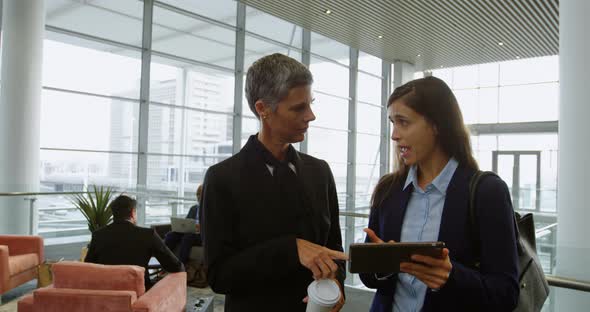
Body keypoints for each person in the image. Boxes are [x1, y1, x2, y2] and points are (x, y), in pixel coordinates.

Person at [200, 53, 347, 312]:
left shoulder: (320, 172)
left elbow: (334, 248)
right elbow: (219, 275)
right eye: (298, 107)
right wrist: (291, 250)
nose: (311, 115)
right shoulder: (222, 179)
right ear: (263, 109)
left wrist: (336, 284)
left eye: (310, 104)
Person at [359, 77, 519, 311]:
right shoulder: (388, 190)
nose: (394, 135)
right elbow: (370, 278)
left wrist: (450, 276)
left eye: (403, 122)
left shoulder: (487, 192)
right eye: (392, 123)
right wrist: (381, 263)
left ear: (437, 125)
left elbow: (506, 294)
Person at [85, 195, 184, 289]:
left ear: (113, 213)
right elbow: (175, 266)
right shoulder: (148, 234)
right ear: (133, 212)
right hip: (140, 293)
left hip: (108, 292)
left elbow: (88, 267)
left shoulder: (98, 235)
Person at [165, 184, 203, 263]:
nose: (199, 197)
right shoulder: (194, 208)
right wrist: (182, 227)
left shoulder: (211, 210)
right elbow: (186, 223)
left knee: (188, 237)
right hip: (191, 232)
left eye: (201, 195)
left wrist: (200, 227)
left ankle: (180, 266)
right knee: (171, 235)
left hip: (202, 236)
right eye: (198, 195)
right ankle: (166, 262)